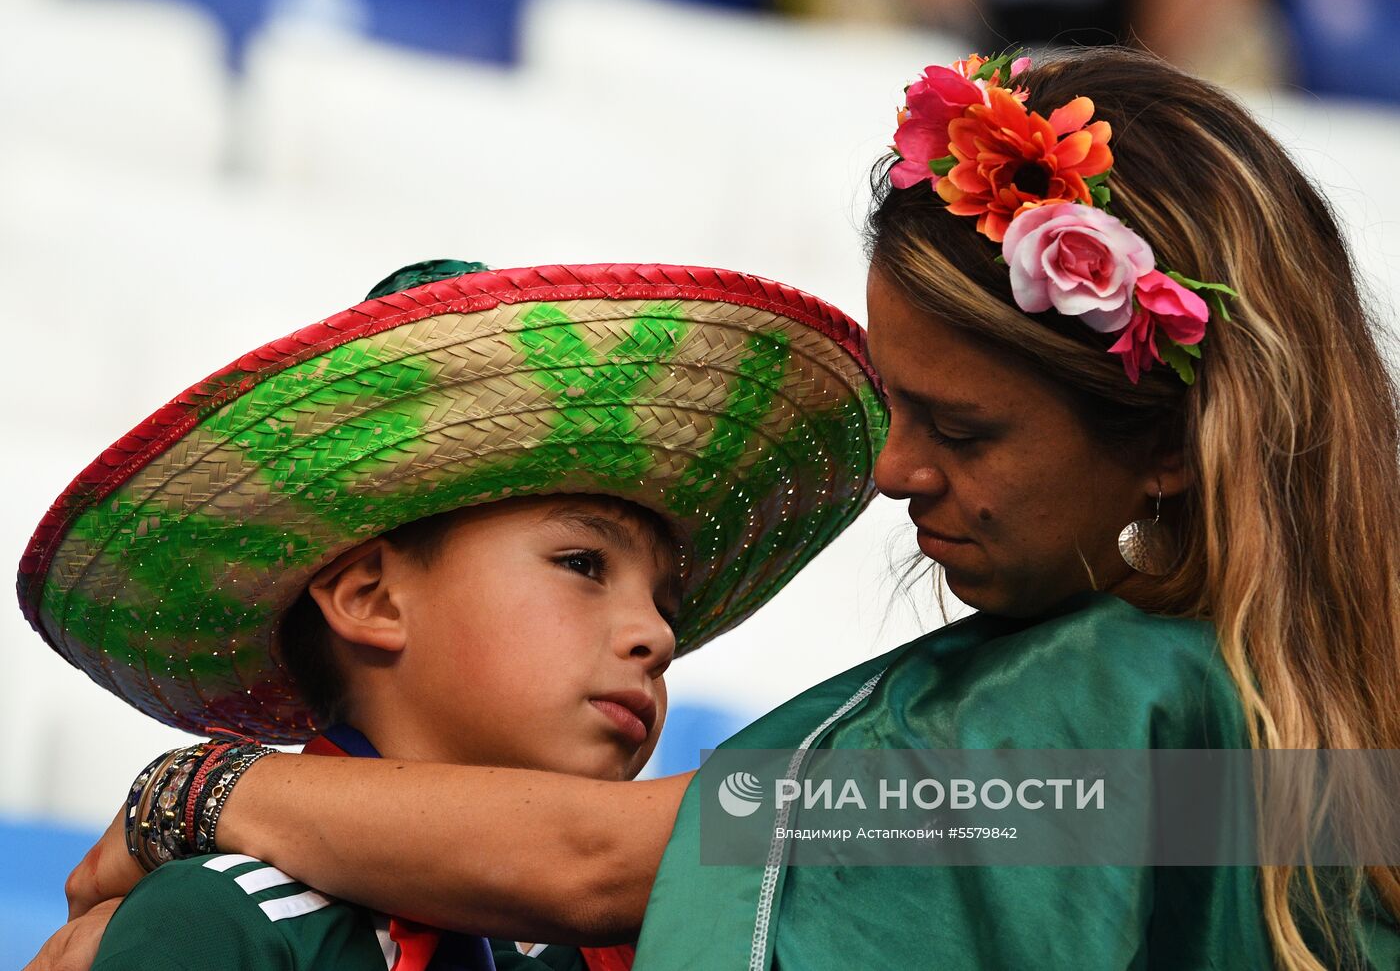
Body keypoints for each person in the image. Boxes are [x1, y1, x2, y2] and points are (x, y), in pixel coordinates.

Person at [36, 45, 1400, 970]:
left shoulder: (1144, 709)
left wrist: (206, 786)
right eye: (582, 561)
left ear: (1164, 443)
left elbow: (603, 859)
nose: (893, 470)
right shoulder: (1289, 716)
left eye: (966, 427)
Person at [18, 259, 886, 970]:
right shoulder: (228, 921)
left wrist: (202, 789)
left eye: (663, 601)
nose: (658, 635)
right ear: (370, 597)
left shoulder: (651, 943)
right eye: (583, 565)